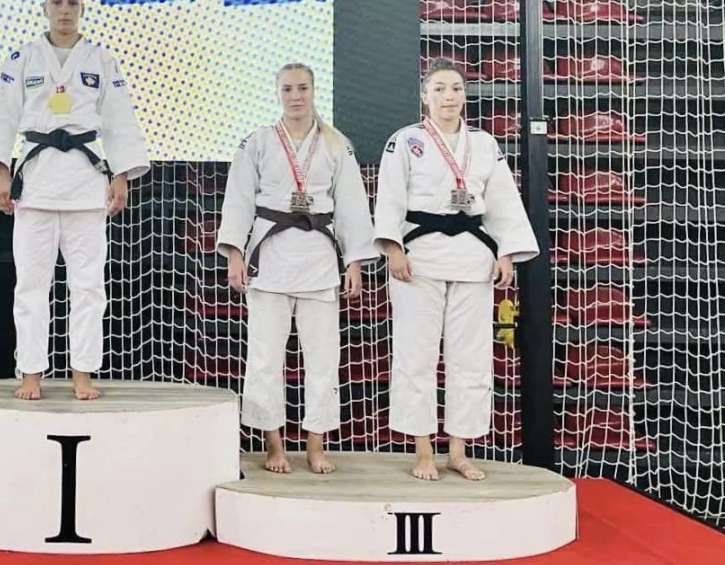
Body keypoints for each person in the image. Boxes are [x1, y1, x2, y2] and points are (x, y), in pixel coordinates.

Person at [0, 0, 149, 401]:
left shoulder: (101, 59)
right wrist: (1, 171)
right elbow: (2, 116)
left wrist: (121, 175)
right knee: (31, 285)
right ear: (45, 7)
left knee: (89, 286)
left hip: (86, 182)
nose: (65, 10)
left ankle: (83, 373)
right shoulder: (22, 57)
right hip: (36, 182)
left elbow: (120, 120)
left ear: (83, 8)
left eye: (73, 2)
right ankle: (30, 372)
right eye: (57, 2)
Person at [374, 58, 540, 481]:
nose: (449, 96)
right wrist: (392, 247)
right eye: (439, 89)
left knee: (471, 357)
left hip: (472, 257)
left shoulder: (483, 144)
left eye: (456, 89)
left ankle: (459, 450)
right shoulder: (406, 140)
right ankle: (423, 450)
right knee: (416, 354)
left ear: (464, 95)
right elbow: (389, 197)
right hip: (419, 257)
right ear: (424, 96)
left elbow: (502, 200)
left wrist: (506, 252)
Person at [216, 63, 376, 474]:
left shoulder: (336, 144)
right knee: (265, 358)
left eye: (302, 88)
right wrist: (234, 253)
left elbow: (352, 206)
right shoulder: (256, 142)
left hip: (319, 259)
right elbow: (238, 200)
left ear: (313, 90)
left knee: (323, 359)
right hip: (269, 259)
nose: (295, 96)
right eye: (287, 89)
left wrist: (354, 261)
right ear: (277, 93)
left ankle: (315, 445)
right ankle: (274, 445)